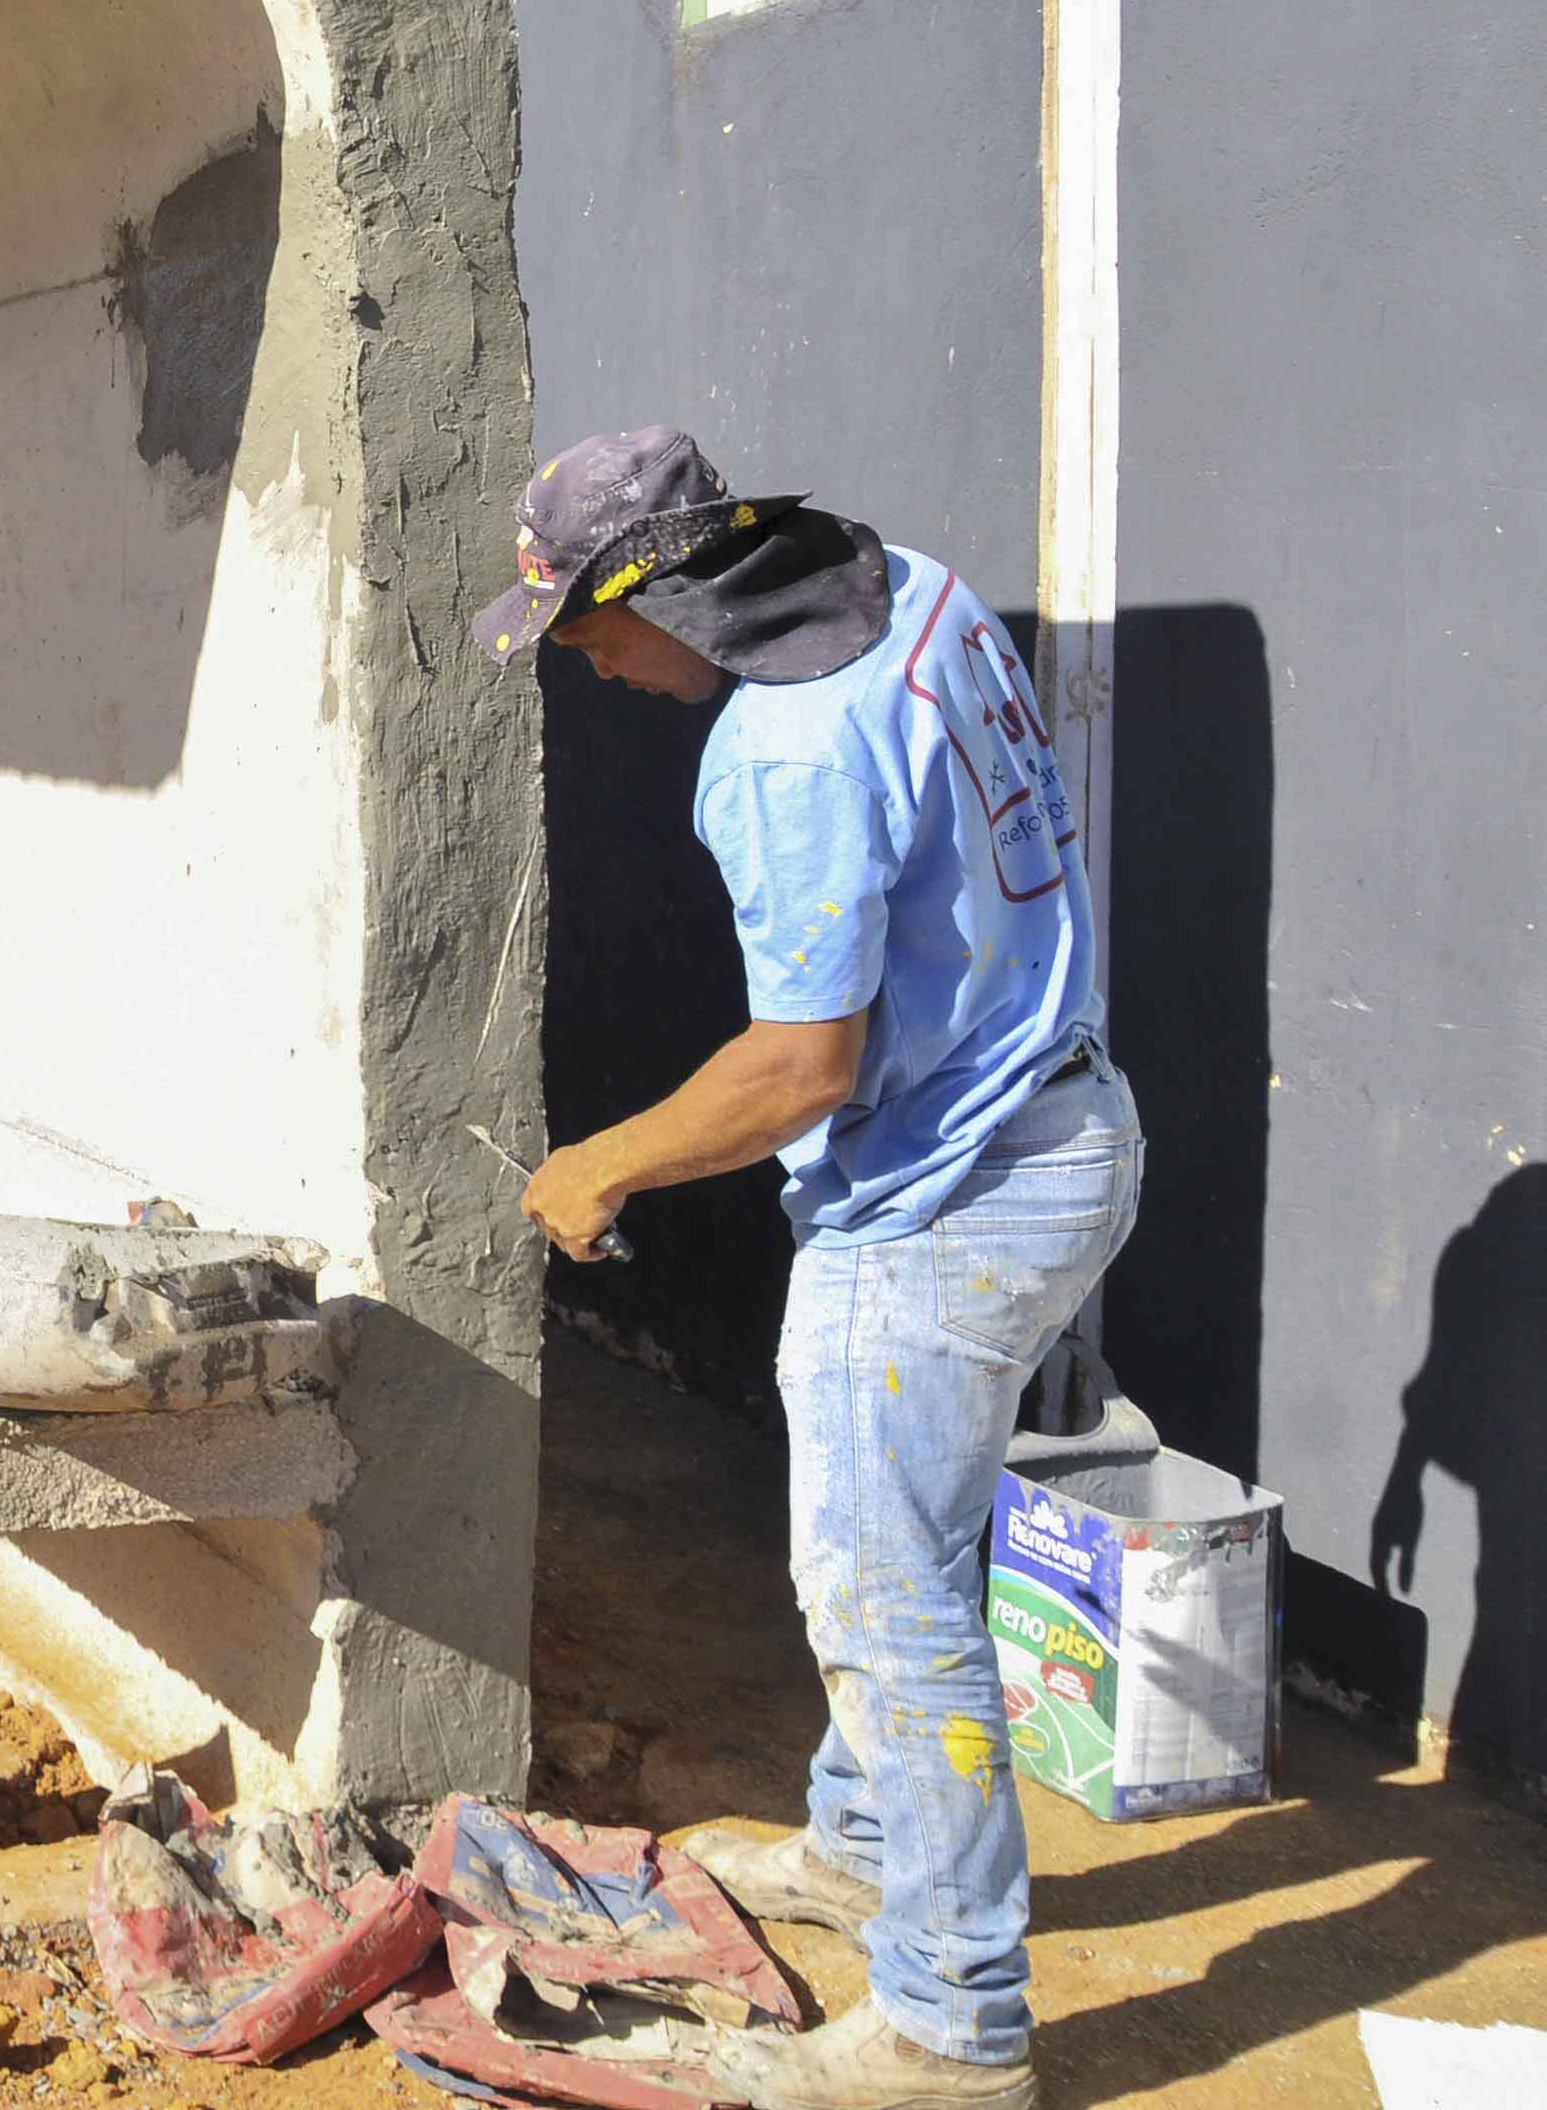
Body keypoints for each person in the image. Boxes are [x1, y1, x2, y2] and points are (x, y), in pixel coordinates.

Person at [480, 426, 1133, 2110]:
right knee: (901, 1546)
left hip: (942, 1206)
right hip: (1062, 1120)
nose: (591, 670)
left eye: (587, 633)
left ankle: (953, 2025)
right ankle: (862, 1847)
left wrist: (601, 1161)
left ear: (661, 596)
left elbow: (800, 1070)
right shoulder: (905, 589)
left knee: (886, 1605)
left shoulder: (784, 757)